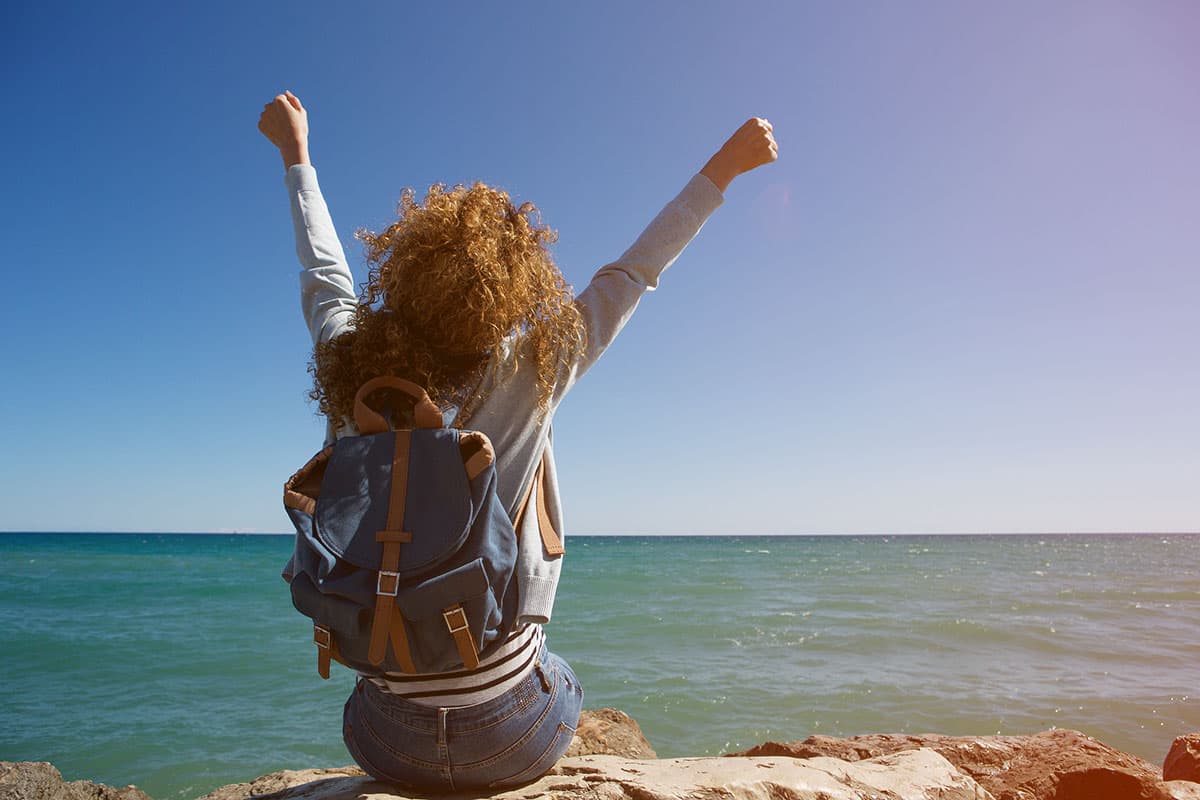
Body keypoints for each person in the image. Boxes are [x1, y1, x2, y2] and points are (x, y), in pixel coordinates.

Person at [258, 90, 778, 791]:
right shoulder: (537, 364)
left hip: (382, 740)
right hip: (508, 738)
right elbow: (631, 274)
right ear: (513, 287)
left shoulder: (352, 363)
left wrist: (297, 156)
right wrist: (723, 168)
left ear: (402, 274)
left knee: (378, 682)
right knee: (561, 676)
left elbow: (325, 275)